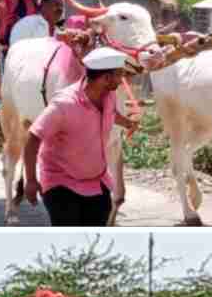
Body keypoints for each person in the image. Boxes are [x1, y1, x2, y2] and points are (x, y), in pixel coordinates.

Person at [24, 47, 140, 226]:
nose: (122, 79)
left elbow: (111, 113)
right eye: (119, 74)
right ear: (106, 78)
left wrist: (127, 123)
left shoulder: (108, 95)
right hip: (61, 185)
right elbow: (33, 138)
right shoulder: (64, 105)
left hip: (96, 182)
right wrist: (31, 180)